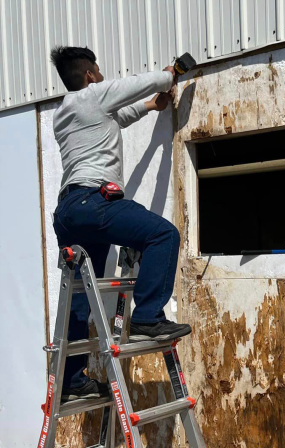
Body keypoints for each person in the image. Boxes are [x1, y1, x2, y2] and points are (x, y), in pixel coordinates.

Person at [50, 46, 191, 401]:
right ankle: (146, 317)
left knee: (82, 297)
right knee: (163, 234)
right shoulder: (93, 94)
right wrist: (171, 73)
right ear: (89, 76)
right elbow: (136, 84)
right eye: (98, 71)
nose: (101, 75)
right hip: (94, 202)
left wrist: (150, 107)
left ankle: (70, 380)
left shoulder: (65, 114)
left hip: (68, 213)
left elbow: (117, 116)